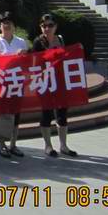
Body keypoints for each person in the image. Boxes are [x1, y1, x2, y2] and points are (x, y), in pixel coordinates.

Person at [33, 13, 78, 158]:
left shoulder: (61, 39)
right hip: (45, 82)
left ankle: (63, 145)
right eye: (44, 26)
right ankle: (48, 146)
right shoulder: (38, 42)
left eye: (50, 25)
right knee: (46, 114)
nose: (47, 28)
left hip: (60, 81)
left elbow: (69, 57)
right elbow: (35, 63)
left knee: (62, 114)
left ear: (56, 26)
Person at [0, 12, 28, 159]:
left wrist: (21, 56)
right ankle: (2, 145)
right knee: (3, 115)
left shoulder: (21, 42)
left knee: (16, 115)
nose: (7, 25)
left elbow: (25, 63)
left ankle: (13, 144)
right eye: (4, 23)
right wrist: (12, 58)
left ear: (14, 25)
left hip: (17, 83)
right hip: (1, 84)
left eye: (9, 22)